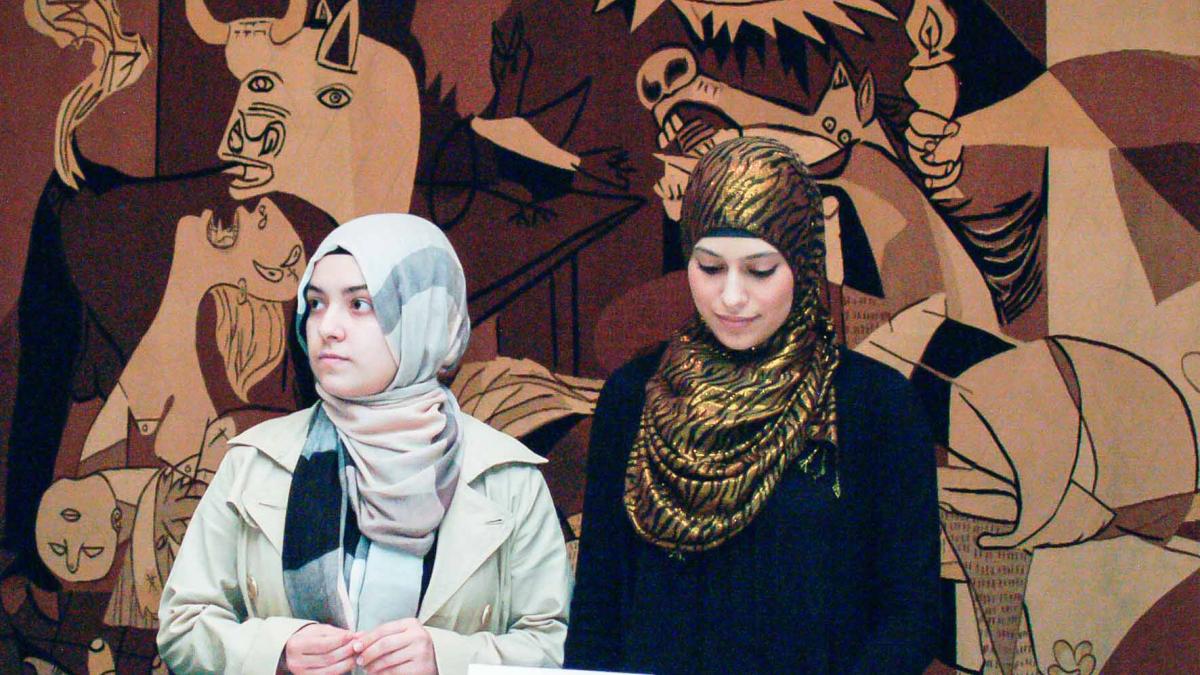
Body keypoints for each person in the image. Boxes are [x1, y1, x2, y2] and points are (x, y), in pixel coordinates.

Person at [564, 137, 940, 674]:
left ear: (804, 265)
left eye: (760, 270)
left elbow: (910, 615)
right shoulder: (634, 397)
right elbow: (599, 606)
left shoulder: (874, 405)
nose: (732, 297)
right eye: (710, 267)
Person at [157, 213, 571, 674]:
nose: (327, 327)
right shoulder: (255, 460)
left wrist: (447, 660)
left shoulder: (505, 476)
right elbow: (182, 626)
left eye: (359, 304)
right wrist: (275, 652)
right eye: (316, 304)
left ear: (425, 316)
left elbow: (552, 644)